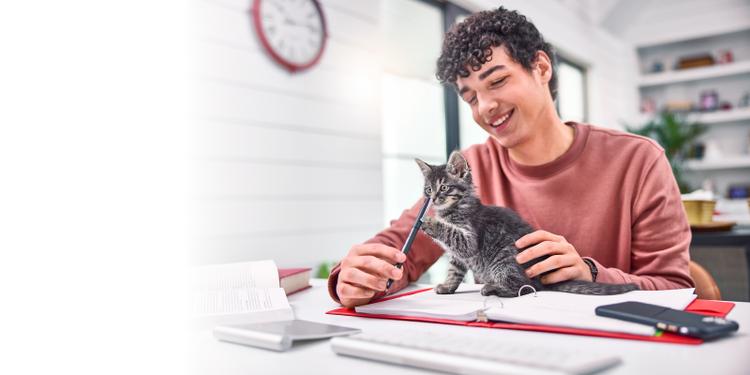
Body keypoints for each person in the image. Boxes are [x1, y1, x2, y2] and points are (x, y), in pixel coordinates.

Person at [328, 6, 694, 308]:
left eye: (497, 81)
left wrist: (590, 272)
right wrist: (355, 276)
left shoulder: (637, 160)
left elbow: (675, 289)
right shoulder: (470, 170)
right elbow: (397, 246)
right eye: (470, 97)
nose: (485, 106)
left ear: (541, 68)